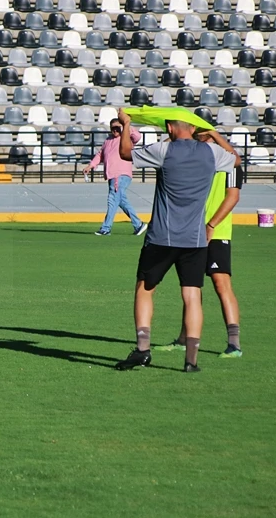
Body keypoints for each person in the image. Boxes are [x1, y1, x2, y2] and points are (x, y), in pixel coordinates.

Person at [113, 108, 239, 373]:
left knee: (145, 288)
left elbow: (125, 153)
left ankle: (143, 349)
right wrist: (214, 134)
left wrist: (126, 124)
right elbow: (236, 160)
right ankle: (191, 360)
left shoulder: (164, 151)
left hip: (162, 236)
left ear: (169, 128)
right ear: (193, 129)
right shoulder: (212, 153)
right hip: (195, 239)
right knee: (192, 295)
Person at [156, 157, 244, 358]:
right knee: (190, 286)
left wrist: (211, 224)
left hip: (217, 232)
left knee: (221, 283)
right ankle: (184, 339)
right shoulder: (193, 158)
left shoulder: (231, 163)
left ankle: (234, 344)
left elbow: (233, 197)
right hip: (189, 231)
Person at [83, 117, 147, 236]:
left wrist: (126, 126)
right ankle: (138, 224)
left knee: (112, 199)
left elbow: (137, 137)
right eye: (113, 128)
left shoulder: (126, 137)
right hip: (112, 175)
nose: (115, 130)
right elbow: (100, 154)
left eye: (118, 128)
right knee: (121, 200)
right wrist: (90, 165)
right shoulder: (108, 140)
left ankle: (106, 228)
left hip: (120, 173)